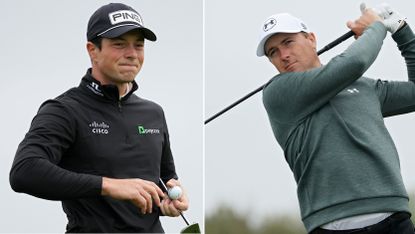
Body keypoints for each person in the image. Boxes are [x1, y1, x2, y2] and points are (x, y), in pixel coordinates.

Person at [9, 3, 188, 233]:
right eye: (119, 44)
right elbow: (24, 171)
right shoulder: (65, 110)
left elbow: (165, 178)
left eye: (139, 45)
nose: (132, 54)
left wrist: (169, 200)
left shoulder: (153, 113)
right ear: (92, 50)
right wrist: (108, 186)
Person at [258, 3, 415, 234]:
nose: (283, 55)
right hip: (330, 227)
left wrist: (402, 31)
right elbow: (354, 62)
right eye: (273, 52)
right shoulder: (277, 93)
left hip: (393, 220)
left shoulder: (363, 86)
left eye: (287, 42)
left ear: (311, 39)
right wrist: (376, 28)